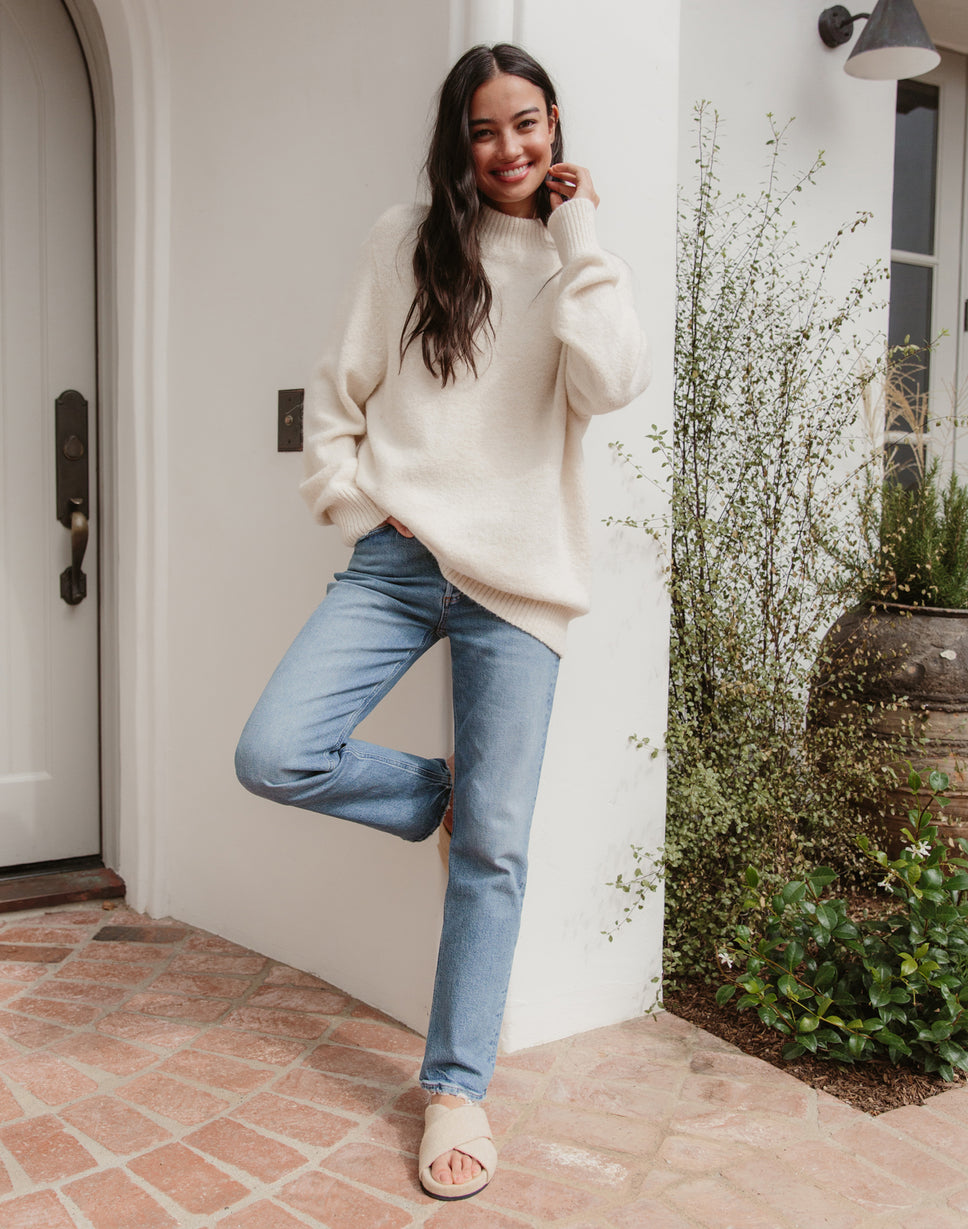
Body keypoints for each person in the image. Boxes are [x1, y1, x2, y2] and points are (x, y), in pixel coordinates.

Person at [235, 42, 650, 1201]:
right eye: (483, 128)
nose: (507, 146)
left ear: (553, 127)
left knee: (494, 854)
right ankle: (438, 796)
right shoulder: (403, 241)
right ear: (456, 141)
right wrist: (355, 503)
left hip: (518, 582)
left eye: (527, 123)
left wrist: (580, 235)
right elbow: (339, 389)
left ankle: (455, 1087)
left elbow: (611, 385)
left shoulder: (577, 260)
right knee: (275, 750)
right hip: (400, 563)